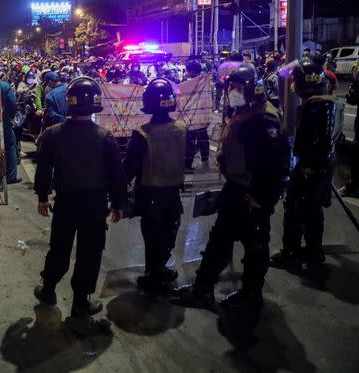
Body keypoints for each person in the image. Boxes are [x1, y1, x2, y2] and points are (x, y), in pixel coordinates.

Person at [174, 64, 290, 309]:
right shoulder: (245, 113)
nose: (231, 92)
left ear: (250, 90)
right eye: (231, 87)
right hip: (237, 189)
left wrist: (261, 197)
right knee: (220, 240)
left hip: (250, 195)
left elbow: (277, 164)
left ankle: (248, 294)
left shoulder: (263, 120)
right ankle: (204, 289)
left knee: (254, 246)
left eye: (237, 88)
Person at [33, 77, 127, 319]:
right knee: (90, 253)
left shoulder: (53, 134)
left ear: (70, 103)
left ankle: (48, 289)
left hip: (65, 203)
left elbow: (44, 169)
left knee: (59, 248)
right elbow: (117, 176)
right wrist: (118, 204)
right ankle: (80, 303)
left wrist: (43, 197)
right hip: (95, 207)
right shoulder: (105, 137)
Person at [271, 60, 343, 272]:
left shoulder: (315, 106)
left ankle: (290, 255)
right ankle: (314, 251)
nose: (292, 85)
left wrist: (307, 166)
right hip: (322, 167)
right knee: (313, 211)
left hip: (310, 168)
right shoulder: (327, 101)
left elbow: (318, 141)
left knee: (294, 211)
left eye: (294, 81)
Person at [124, 79, 187, 292]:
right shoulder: (181, 128)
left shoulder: (141, 134)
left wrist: (118, 191)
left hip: (150, 193)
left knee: (153, 236)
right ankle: (158, 270)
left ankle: (154, 273)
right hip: (173, 193)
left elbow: (130, 166)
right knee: (169, 232)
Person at [183, 61, 210, 170]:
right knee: (203, 140)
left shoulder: (186, 84)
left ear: (190, 71)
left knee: (190, 141)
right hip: (203, 115)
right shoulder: (205, 81)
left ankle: (188, 164)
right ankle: (205, 162)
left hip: (190, 117)